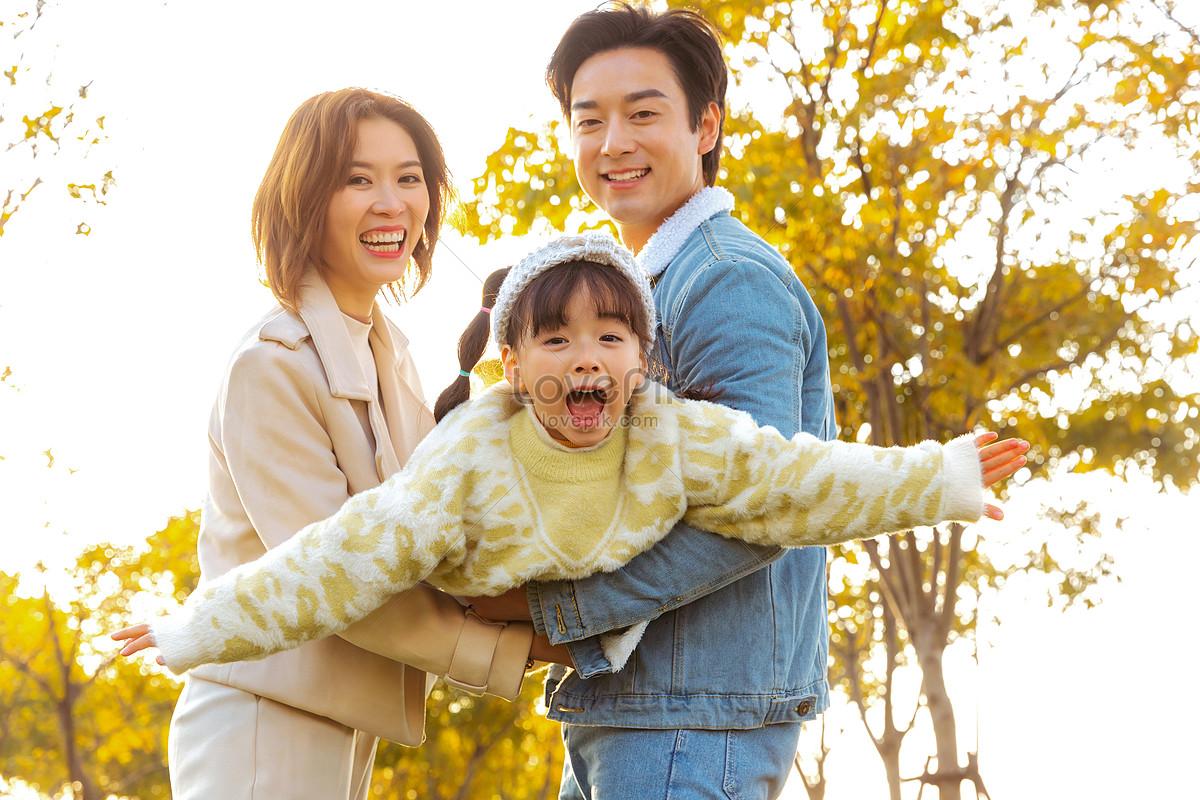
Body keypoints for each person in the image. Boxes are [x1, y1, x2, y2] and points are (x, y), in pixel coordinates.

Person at [112, 232, 1029, 684]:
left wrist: (941, 478)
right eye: (554, 342)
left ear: (641, 359)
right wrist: (197, 627)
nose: (584, 357)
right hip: (491, 582)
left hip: (602, 607)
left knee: (771, 486)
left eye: (610, 336)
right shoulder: (467, 464)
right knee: (369, 558)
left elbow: (801, 481)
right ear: (512, 368)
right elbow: (337, 558)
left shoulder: (676, 437)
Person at [462, 4, 896, 798]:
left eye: (642, 113)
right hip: (639, 713)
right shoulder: (634, 293)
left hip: (693, 727)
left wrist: (551, 610)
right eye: (588, 120)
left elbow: (762, 509)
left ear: (705, 127)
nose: (613, 143)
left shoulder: (727, 280)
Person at [164, 88, 546, 800]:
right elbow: (339, 582)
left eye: (409, 178)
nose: (391, 203)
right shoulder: (270, 365)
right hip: (259, 727)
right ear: (304, 198)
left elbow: (436, 537)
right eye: (357, 179)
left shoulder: (387, 352)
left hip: (339, 723)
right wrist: (526, 646)